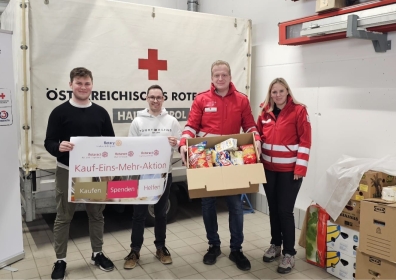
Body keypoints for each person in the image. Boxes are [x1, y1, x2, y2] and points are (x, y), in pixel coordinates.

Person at [179, 60, 261, 271]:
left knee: (235, 205)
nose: (220, 78)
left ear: (230, 76)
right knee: (208, 205)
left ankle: (236, 249)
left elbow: (250, 125)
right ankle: (213, 246)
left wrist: (257, 139)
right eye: (217, 75)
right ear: (212, 77)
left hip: (233, 157)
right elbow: (190, 126)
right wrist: (183, 144)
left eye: (224, 74)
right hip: (206, 158)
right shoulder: (201, 99)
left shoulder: (241, 100)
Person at [44, 67, 115, 280]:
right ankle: (60, 260)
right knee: (64, 217)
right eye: (79, 83)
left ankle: (97, 253)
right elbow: (48, 142)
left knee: (96, 214)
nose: (83, 87)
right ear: (71, 85)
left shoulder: (101, 112)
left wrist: (109, 169)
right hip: (67, 171)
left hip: (94, 173)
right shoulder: (59, 112)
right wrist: (58, 147)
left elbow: (110, 142)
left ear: (92, 85)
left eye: (87, 83)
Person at [123, 84, 182, 269]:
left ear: (163, 99)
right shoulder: (138, 122)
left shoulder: (171, 121)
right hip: (142, 176)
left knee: (160, 214)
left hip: (164, 175)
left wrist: (176, 142)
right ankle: (135, 250)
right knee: (138, 215)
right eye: (152, 97)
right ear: (147, 98)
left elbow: (181, 145)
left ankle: (161, 247)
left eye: (159, 97)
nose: (155, 100)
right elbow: (131, 148)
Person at [257, 78, 311, 274]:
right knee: (273, 209)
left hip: (289, 172)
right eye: (274, 92)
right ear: (270, 94)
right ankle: (275, 245)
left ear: (287, 91)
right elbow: (258, 136)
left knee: (285, 211)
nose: (277, 95)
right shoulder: (264, 112)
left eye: (281, 91)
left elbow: (305, 141)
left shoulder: (299, 110)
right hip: (269, 169)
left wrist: (300, 168)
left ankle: (289, 253)